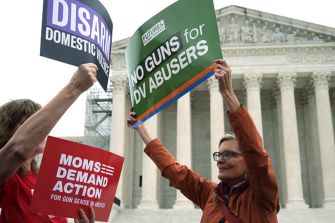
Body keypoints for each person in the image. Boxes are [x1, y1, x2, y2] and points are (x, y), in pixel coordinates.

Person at [127, 60, 280, 223]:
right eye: (219, 154)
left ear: (248, 162)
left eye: (228, 154)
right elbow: (177, 173)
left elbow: (255, 152)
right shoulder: (211, 195)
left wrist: (227, 93)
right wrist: (141, 129)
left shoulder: (262, 197)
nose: (220, 160)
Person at [0, 63, 98, 223]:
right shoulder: (7, 179)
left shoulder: (44, 181)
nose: (44, 130)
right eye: (30, 123)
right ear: (8, 131)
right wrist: (74, 88)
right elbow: (17, 150)